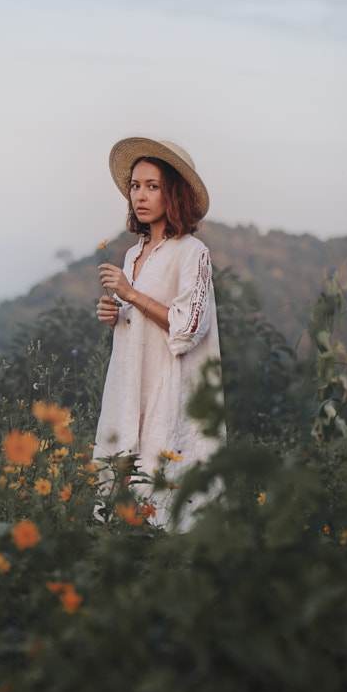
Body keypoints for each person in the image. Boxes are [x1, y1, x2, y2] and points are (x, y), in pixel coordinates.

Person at [93, 136, 224, 530]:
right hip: (129, 388)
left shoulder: (192, 252)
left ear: (174, 193)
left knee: (165, 499)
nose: (141, 196)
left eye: (153, 186)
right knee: (116, 500)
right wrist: (115, 313)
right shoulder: (134, 253)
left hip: (169, 390)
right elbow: (141, 323)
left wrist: (131, 293)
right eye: (136, 186)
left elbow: (188, 326)